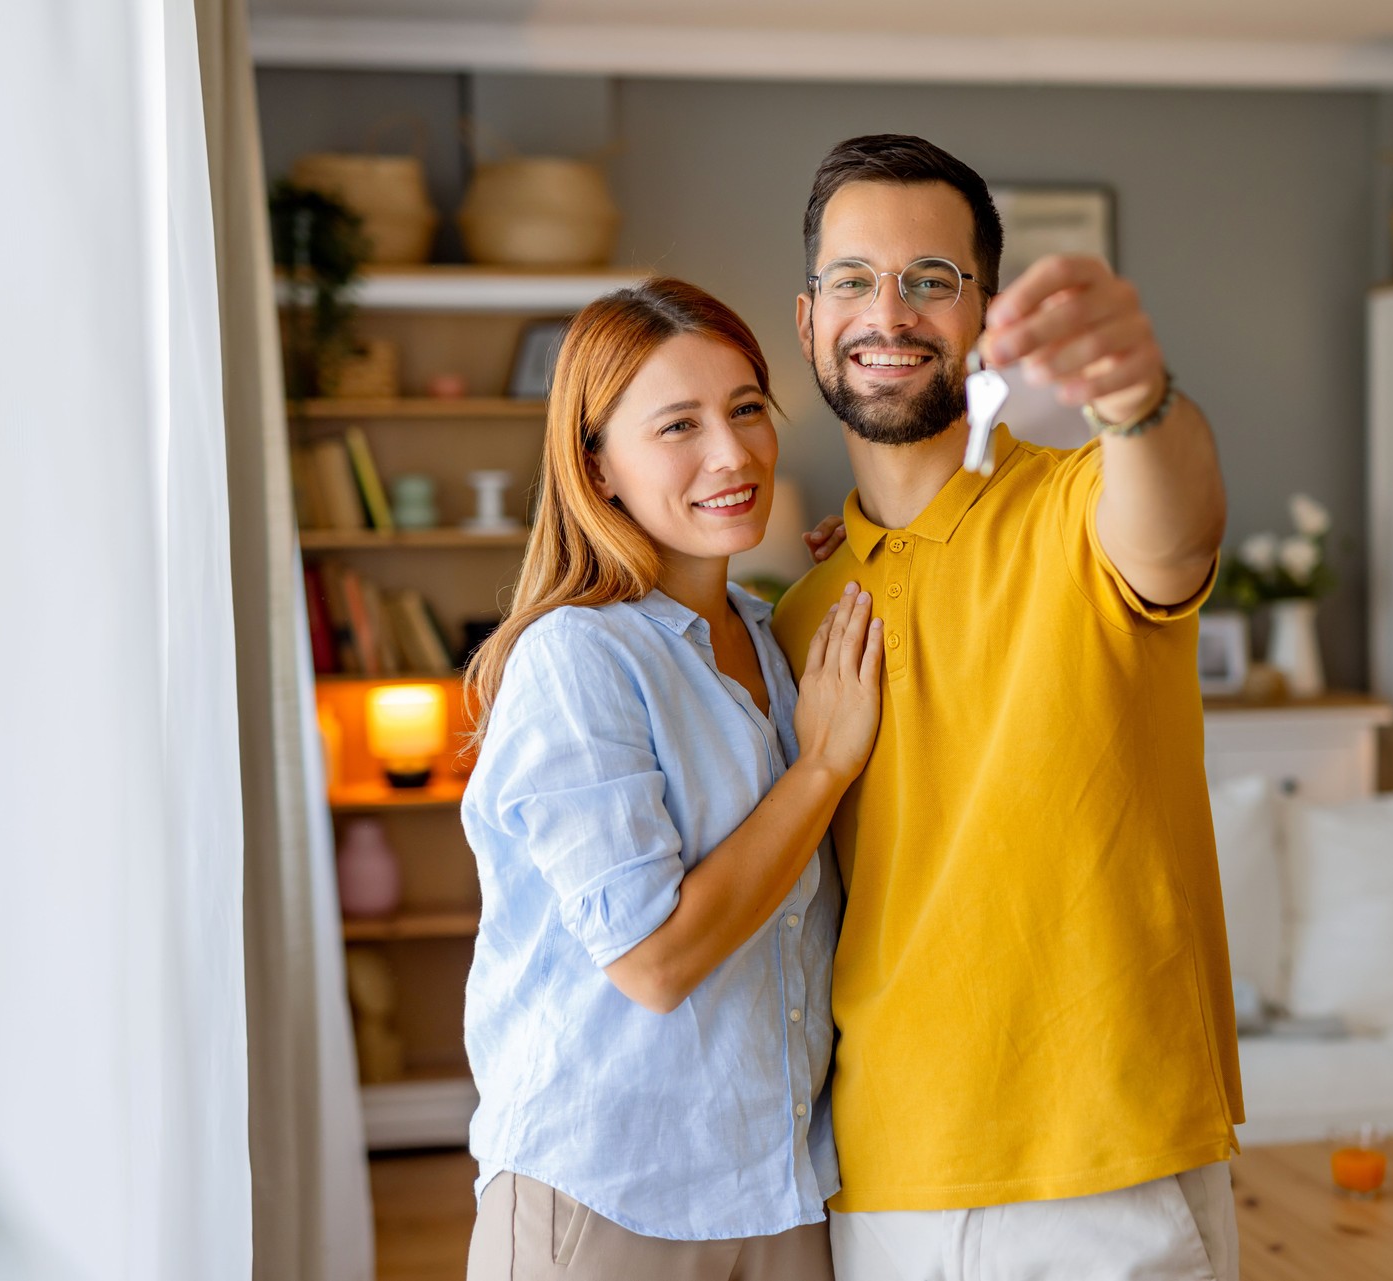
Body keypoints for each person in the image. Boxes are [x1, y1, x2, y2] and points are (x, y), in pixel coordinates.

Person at [771, 135, 1242, 1279]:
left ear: (980, 311)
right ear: (807, 320)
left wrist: (1135, 392)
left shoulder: (1080, 505)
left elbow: (1174, 525)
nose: (890, 311)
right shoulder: (800, 614)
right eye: (854, 280)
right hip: (881, 1178)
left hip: (1105, 1174)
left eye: (932, 279)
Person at [459, 278, 884, 1280]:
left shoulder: (776, 650)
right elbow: (651, 962)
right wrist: (821, 767)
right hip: (610, 1198)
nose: (731, 455)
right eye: (678, 426)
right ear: (597, 465)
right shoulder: (578, 659)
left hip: (779, 1189)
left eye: (745, 409)